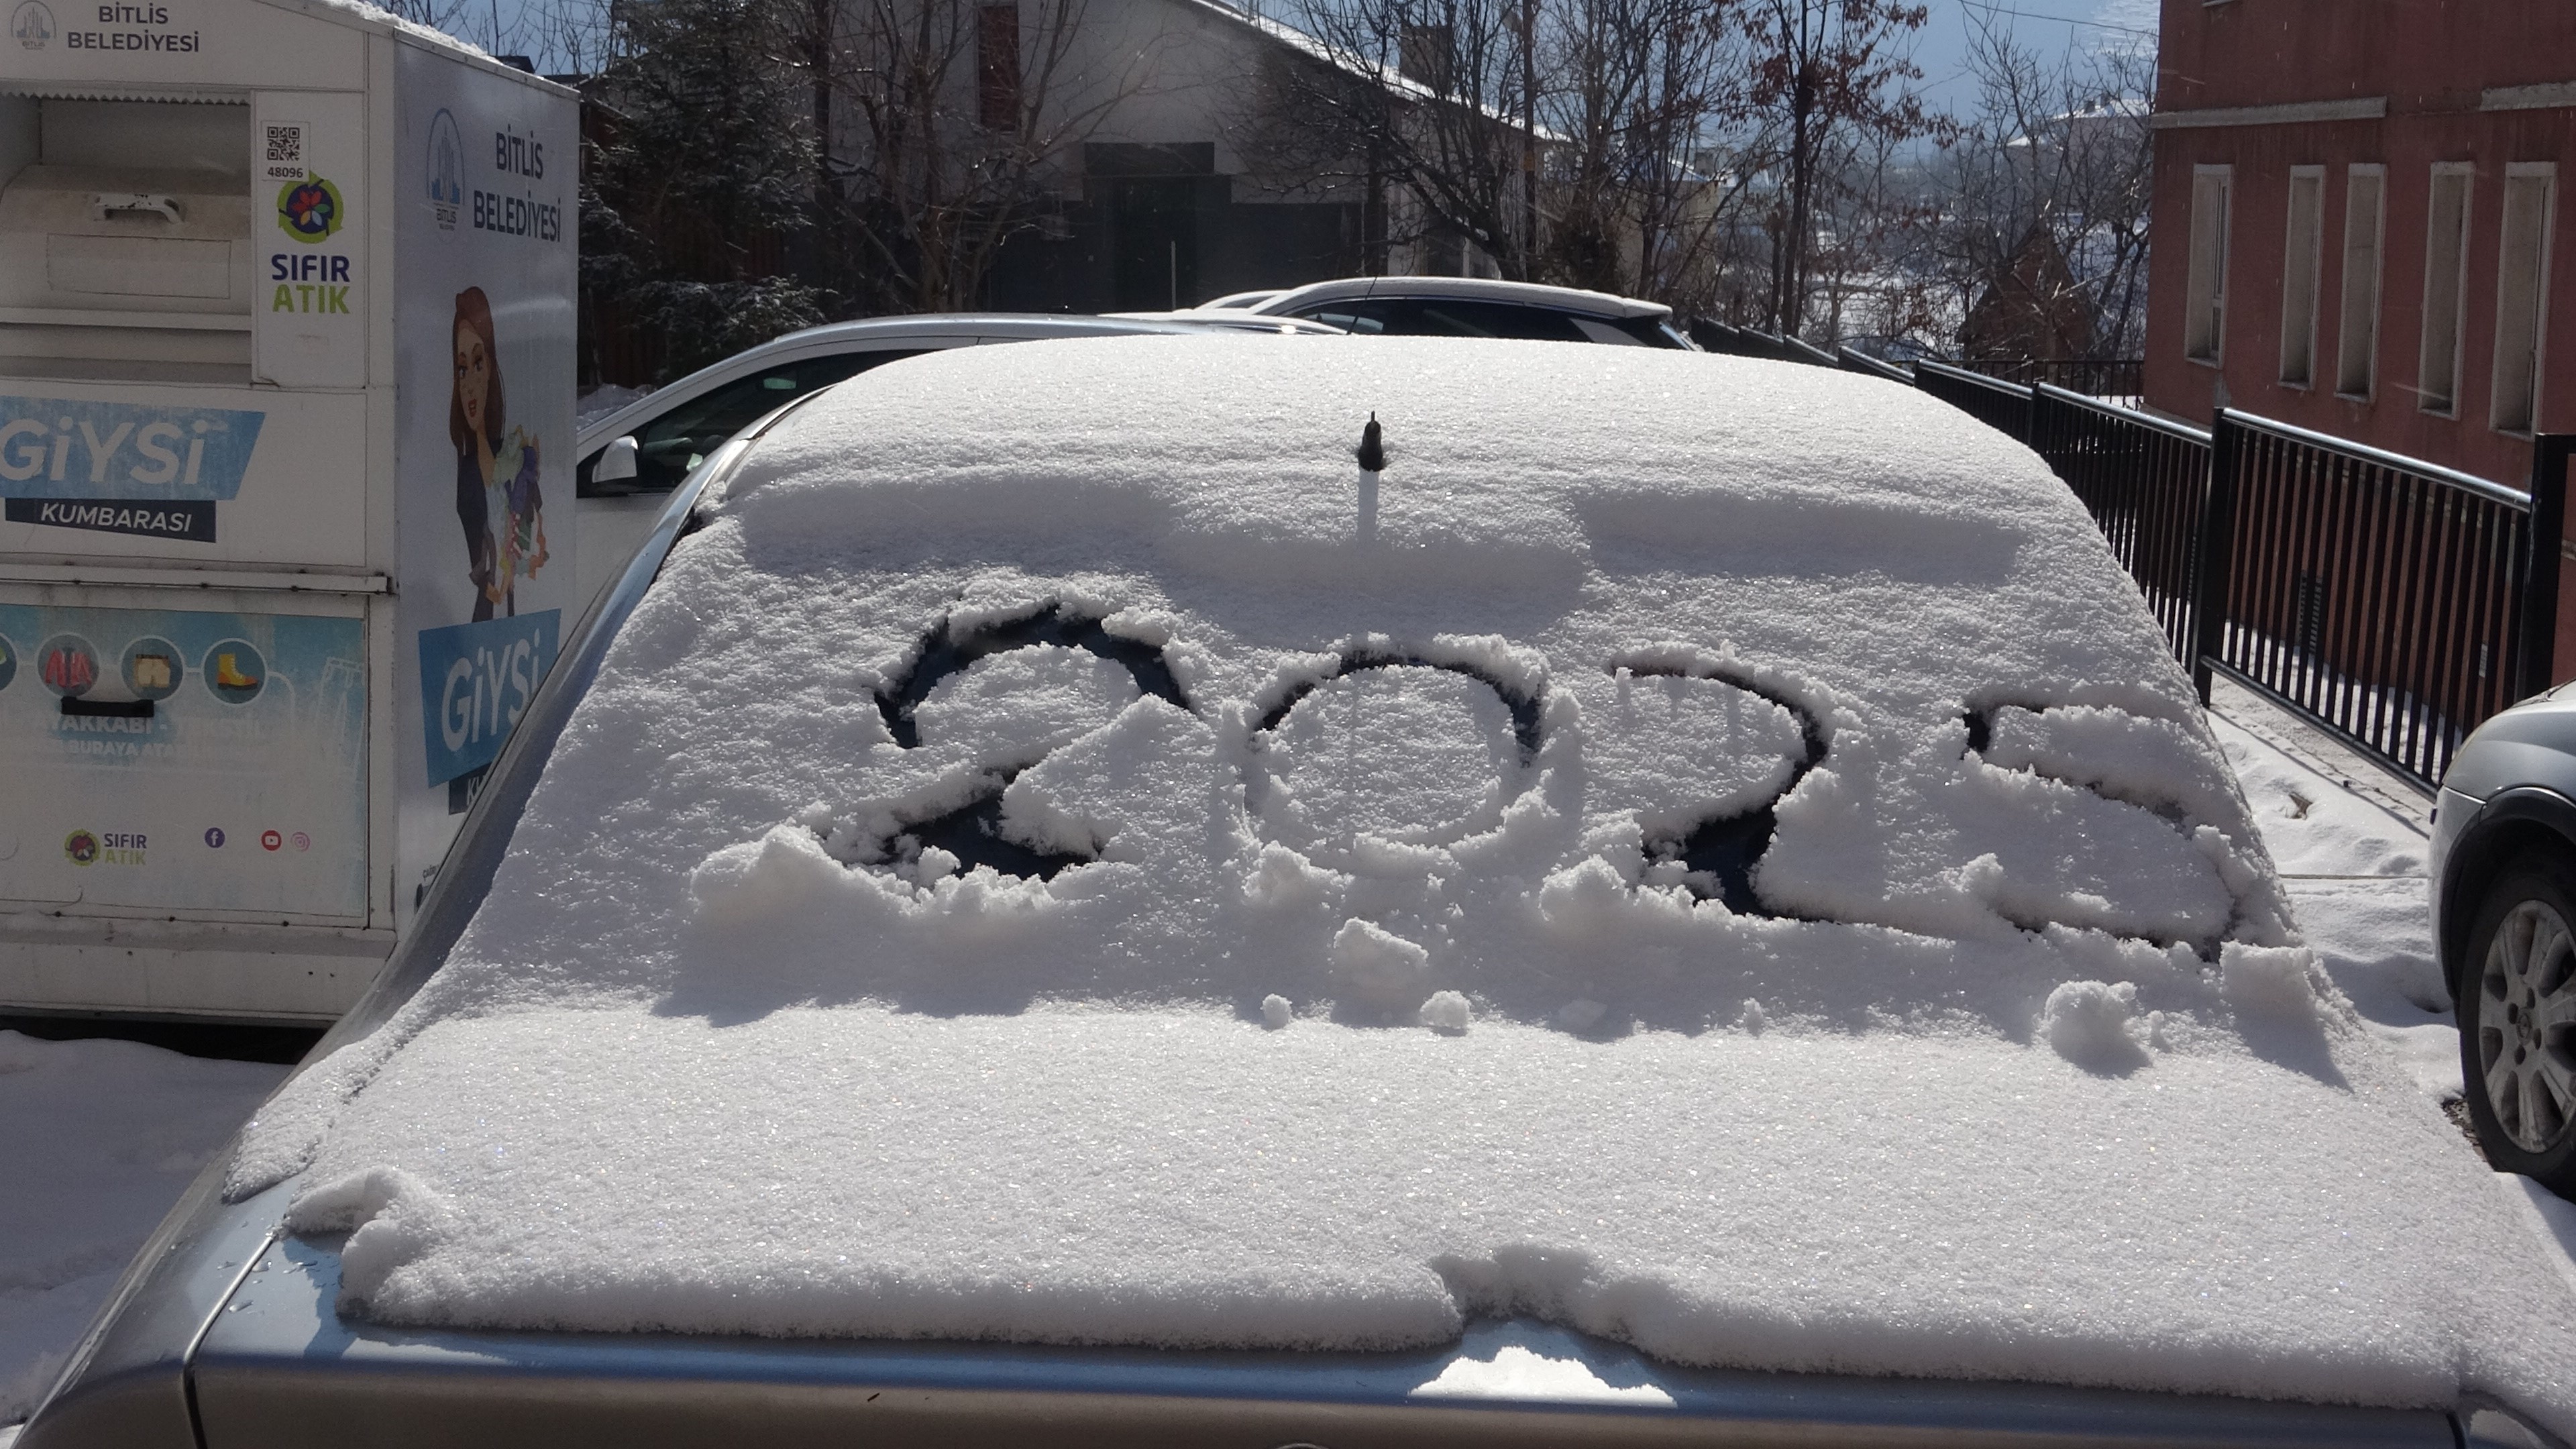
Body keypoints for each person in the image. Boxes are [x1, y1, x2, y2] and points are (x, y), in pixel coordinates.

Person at [449, 288, 548, 621]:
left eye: (478, 363)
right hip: (482, 616)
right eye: (462, 370)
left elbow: (528, 539)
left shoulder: (512, 457)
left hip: (508, 613)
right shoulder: (464, 471)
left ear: (491, 367)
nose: (470, 384)